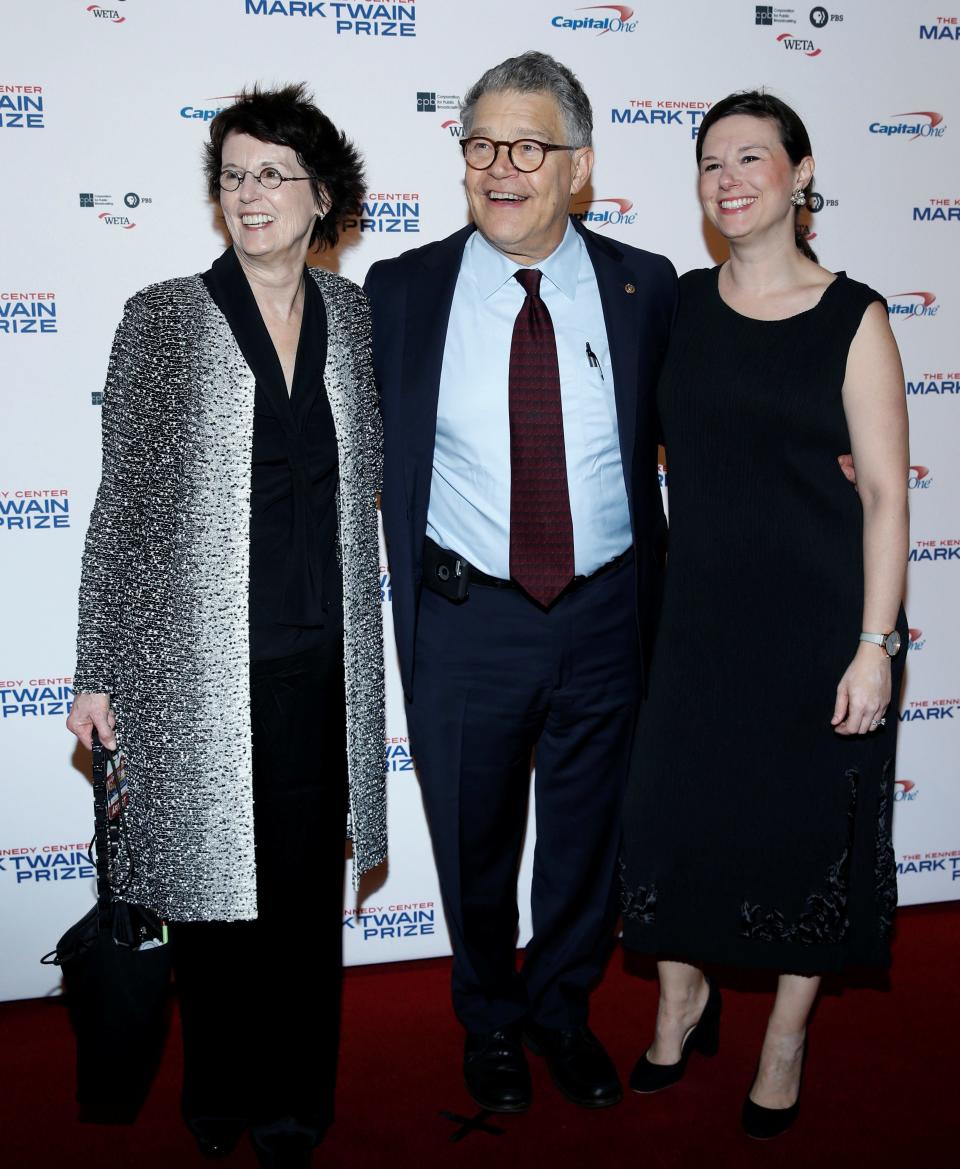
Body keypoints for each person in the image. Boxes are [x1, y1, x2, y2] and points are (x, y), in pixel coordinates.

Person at [66, 84, 385, 1169]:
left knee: (301, 902)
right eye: (234, 173)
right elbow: (120, 506)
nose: (249, 194)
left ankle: (295, 1100)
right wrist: (97, 664)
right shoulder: (162, 315)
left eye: (272, 175)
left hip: (318, 660)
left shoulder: (354, 321)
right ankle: (217, 1090)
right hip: (198, 668)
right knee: (210, 904)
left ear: (321, 197)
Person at [364, 51, 676, 1113]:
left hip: (605, 612)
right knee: (473, 837)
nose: (502, 167)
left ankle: (562, 1008)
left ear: (578, 167)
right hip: (466, 617)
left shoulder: (648, 286)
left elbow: (711, 423)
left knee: (588, 839)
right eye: (482, 144)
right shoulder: (400, 291)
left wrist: (822, 453)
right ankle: (490, 1018)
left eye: (529, 146)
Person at [618, 90, 909, 1139]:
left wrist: (874, 646)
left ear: (800, 172)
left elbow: (883, 492)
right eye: (710, 162)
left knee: (800, 837)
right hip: (694, 624)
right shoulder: (679, 305)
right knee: (670, 818)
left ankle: (785, 1032)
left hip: (823, 624)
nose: (730, 178)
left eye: (752, 157)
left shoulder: (855, 313)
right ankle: (682, 994)